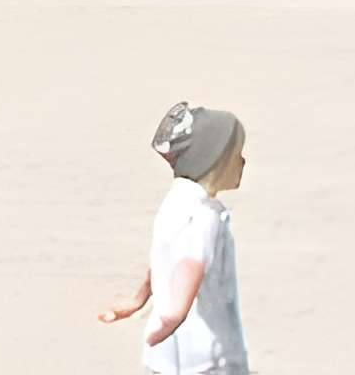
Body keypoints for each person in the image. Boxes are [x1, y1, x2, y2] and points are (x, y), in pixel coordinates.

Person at [97, 102, 250, 371]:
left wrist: (138, 300)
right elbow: (190, 265)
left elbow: (163, 256)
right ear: (213, 160)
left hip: (165, 357)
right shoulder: (206, 216)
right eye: (236, 154)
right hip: (208, 357)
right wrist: (170, 319)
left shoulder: (174, 202)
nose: (243, 161)